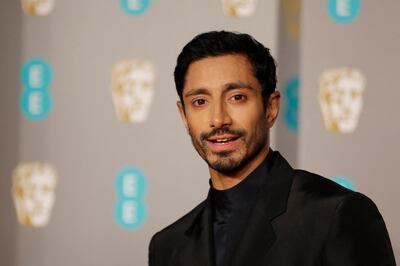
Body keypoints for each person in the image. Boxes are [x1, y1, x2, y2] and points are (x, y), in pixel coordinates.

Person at [148, 31, 396, 266]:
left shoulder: (336, 215)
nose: (218, 119)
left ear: (270, 108)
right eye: (200, 102)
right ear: (184, 116)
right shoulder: (168, 245)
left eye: (237, 97)